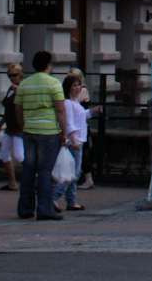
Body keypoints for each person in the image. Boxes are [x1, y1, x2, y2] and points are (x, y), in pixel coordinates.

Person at [13, 50, 66, 222]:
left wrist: (23, 126)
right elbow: (60, 109)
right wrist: (63, 132)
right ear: (48, 65)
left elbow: (18, 109)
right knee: (44, 171)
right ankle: (45, 210)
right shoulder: (54, 83)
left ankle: (25, 208)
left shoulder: (25, 84)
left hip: (29, 130)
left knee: (29, 169)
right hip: (49, 131)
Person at [57, 72, 94, 213]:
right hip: (75, 141)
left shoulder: (75, 103)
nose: (78, 88)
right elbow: (69, 123)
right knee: (72, 173)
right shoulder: (68, 103)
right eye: (74, 85)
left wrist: (92, 111)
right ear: (68, 88)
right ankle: (55, 197)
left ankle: (71, 201)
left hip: (79, 139)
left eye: (79, 85)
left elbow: (81, 116)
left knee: (75, 174)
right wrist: (73, 140)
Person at [0, 63, 25, 191]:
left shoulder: (24, 87)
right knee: (4, 153)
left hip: (19, 126)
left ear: (20, 74)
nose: (12, 78)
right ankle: (12, 182)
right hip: (10, 125)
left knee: (19, 155)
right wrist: (0, 125)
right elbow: (8, 109)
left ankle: (36, 175)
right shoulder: (11, 89)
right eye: (10, 76)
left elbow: (23, 107)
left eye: (14, 75)